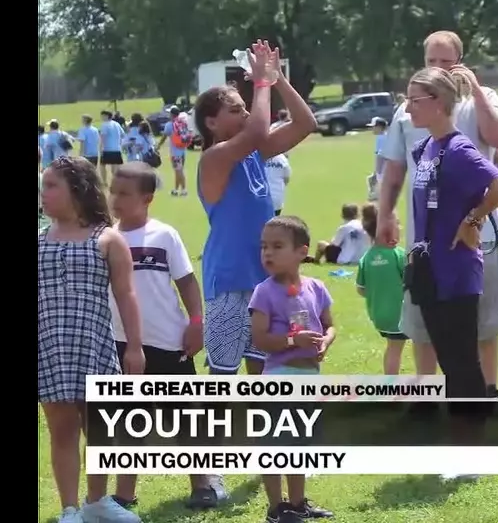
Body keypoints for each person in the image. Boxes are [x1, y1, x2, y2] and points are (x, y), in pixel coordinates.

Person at [375, 30, 498, 401]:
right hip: (428, 255)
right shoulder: (424, 143)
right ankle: (436, 401)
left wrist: (472, 220)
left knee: (466, 348)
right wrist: (386, 214)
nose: (408, 108)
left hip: (461, 259)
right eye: (431, 60)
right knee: (434, 335)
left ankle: (479, 408)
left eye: (445, 61)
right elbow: (393, 171)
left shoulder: (458, 142)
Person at [196, 40, 315, 378]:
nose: (246, 113)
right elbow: (259, 128)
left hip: (265, 280)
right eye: (235, 109)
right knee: (223, 377)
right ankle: (215, 433)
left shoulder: (254, 153)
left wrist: (277, 79)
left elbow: (305, 123)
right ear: (212, 123)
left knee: (265, 371)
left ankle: (260, 432)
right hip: (230, 282)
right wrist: (261, 85)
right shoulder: (214, 158)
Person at [38, 156, 145, 523]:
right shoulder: (39, 240)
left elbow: (126, 296)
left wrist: (134, 346)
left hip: (94, 345)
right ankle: (70, 509)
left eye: (52, 185)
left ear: (78, 190)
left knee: (100, 429)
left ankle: (96, 501)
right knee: (61, 430)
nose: (44, 193)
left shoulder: (108, 239)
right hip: (51, 349)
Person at [104, 163, 216, 510]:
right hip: (121, 343)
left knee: (184, 417)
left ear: (147, 198)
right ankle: (124, 494)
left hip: (168, 341)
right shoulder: (106, 236)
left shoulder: (163, 235)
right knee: (127, 419)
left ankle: (202, 485)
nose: (116, 199)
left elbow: (185, 280)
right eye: (113, 192)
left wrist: (197, 321)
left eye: (125, 193)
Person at [248, 215, 336, 522]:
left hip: (310, 378)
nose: (268, 253)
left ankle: (298, 503)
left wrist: (325, 341)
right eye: (264, 247)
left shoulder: (316, 287)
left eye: (277, 246)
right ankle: (276, 508)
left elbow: (330, 325)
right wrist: (290, 339)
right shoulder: (264, 291)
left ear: (302, 251)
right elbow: (259, 339)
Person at [356, 204, 407, 375]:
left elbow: (361, 289)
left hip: (379, 315)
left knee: (392, 347)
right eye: (398, 223)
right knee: (403, 348)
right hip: (400, 315)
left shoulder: (366, 258)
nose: (401, 228)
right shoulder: (399, 255)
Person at [157, 106, 193, 196]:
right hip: (183, 150)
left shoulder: (169, 125)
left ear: (172, 114)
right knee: (178, 170)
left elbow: (164, 137)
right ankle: (176, 189)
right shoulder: (183, 122)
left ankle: (184, 189)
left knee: (179, 170)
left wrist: (158, 146)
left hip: (175, 152)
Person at [99, 110, 125, 182]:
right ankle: (116, 181)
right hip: (117, 148)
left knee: (102, 165)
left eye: (102, 116)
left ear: (106, 116)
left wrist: (101, 148)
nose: (101, 117)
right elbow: (123, 134)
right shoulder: (117, 124)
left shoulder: (105, 124)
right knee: (115, 167)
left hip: (107, 149)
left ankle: (104, 181)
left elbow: (103, 137)